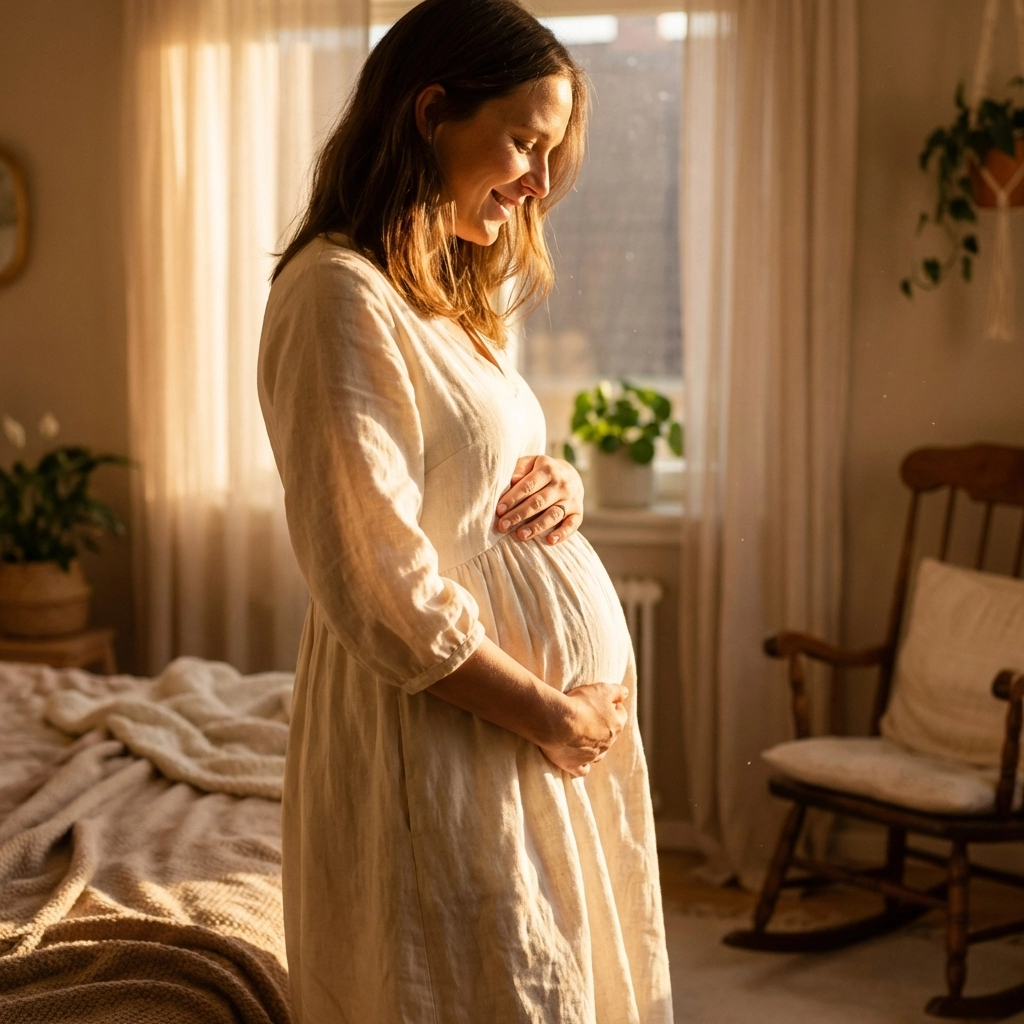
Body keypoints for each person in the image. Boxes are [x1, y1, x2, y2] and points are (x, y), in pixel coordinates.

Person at [258, 0, 672, 1019]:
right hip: (446, 731)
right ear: (432, 110)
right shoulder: (334, 294)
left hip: (518, 736)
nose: (537, 180)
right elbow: (376, 578)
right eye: (522, 141)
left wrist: (558, 476)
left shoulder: (441, 295)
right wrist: (551, 711)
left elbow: (469, 470)